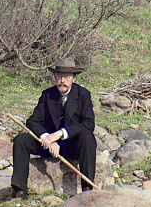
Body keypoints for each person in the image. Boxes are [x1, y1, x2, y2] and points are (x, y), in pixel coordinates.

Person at [10, 58, 96, 199]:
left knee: (88, 137)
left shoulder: (83, 95)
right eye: (59, 76)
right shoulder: (47, 94)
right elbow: (32, 121)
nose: (62, 80)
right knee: (21, 140)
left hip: (72, 146)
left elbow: (88, 124)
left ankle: (87, 189)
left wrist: (60, 134)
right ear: (54, 77)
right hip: (48, 147)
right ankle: (20, 190)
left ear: (73, 78)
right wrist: (47, 138)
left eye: (66, 77)